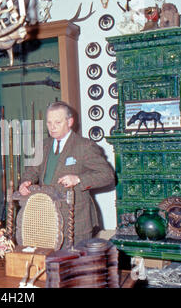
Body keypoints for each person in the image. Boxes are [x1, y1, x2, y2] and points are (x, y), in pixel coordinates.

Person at [19, 101, 115, 247]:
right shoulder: (43, 145)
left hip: (76, 222)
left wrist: (78, 179)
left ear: (70, 122)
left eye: (57, 122)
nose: (52, 127)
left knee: (75, 266)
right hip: (47, 219)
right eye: (49, 122)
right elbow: (32, 170)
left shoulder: (84, 146)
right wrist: (26, 182)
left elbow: (107, 175)